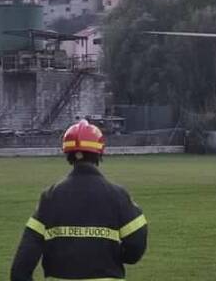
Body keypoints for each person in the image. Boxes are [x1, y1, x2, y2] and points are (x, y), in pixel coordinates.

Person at [10, 120, 148, 281]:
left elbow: (21, 265)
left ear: (68, 154)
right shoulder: (117, 195)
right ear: (99, 153)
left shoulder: (50, 197)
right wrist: (124, 257)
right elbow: (137, 243)